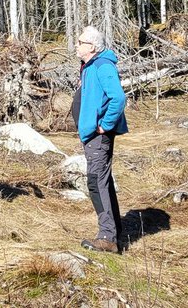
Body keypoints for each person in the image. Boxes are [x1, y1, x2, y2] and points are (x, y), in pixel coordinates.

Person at [74, 24, 127, 254]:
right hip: (92, 135)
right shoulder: (90, 65)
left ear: (92, 47)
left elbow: (118, 98)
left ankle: (107, 237)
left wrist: (104, 126)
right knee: (100, 181)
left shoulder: (103, 65)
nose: (76, 45)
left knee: (96, 182)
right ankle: (114, 230)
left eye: (80, 42)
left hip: (98, 136)